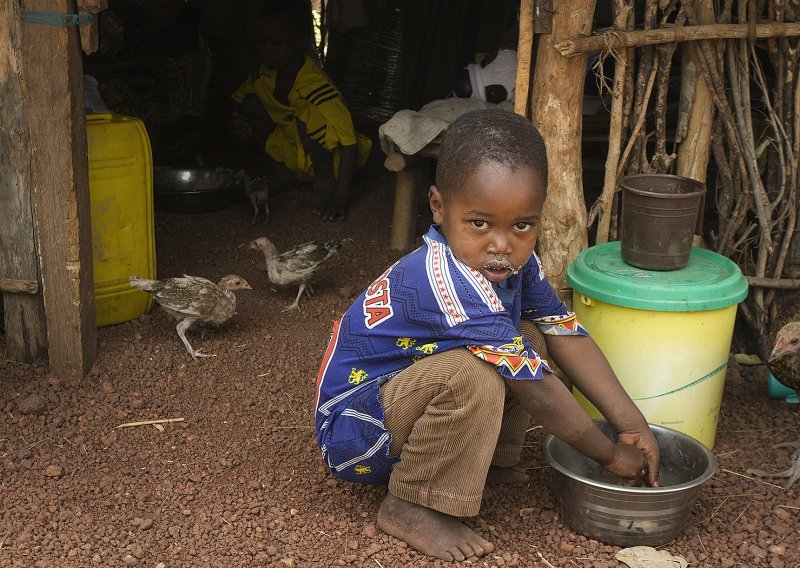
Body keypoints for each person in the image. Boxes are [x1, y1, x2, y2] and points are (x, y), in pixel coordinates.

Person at [314, 108, 661, 561]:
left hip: (403, 398)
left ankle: (489, 461)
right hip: (356, 431)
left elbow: (565, 333)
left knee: (529, 337)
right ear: (439, 207)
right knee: (473, 372)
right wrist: (611, 456)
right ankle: (411, 504)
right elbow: (536, 390)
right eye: (480, 223)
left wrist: (632, 427)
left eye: (522, 225)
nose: (502, 244)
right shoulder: (446, 279)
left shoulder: (514, 264)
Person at [229, 0, 372, 221]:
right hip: (293, 153)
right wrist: (238, 121)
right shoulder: (262, 77)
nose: (266, 49)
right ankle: (285, 174)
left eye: (275, 42)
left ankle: (324, 184)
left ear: (301, 41)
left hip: (333, 164)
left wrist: (340, 199)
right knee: (250, 105)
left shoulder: (317, 88)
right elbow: (236, 101)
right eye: (260, 42)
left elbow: (349, 144)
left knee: (308, 112)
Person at [83, 0, 212, 164]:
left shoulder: (187, 34)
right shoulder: (117, 24)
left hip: (159, 127)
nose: (170, 4)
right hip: (111, 125)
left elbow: (208, 89)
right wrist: (138, 64)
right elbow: (83, 68)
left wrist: (196, 129)